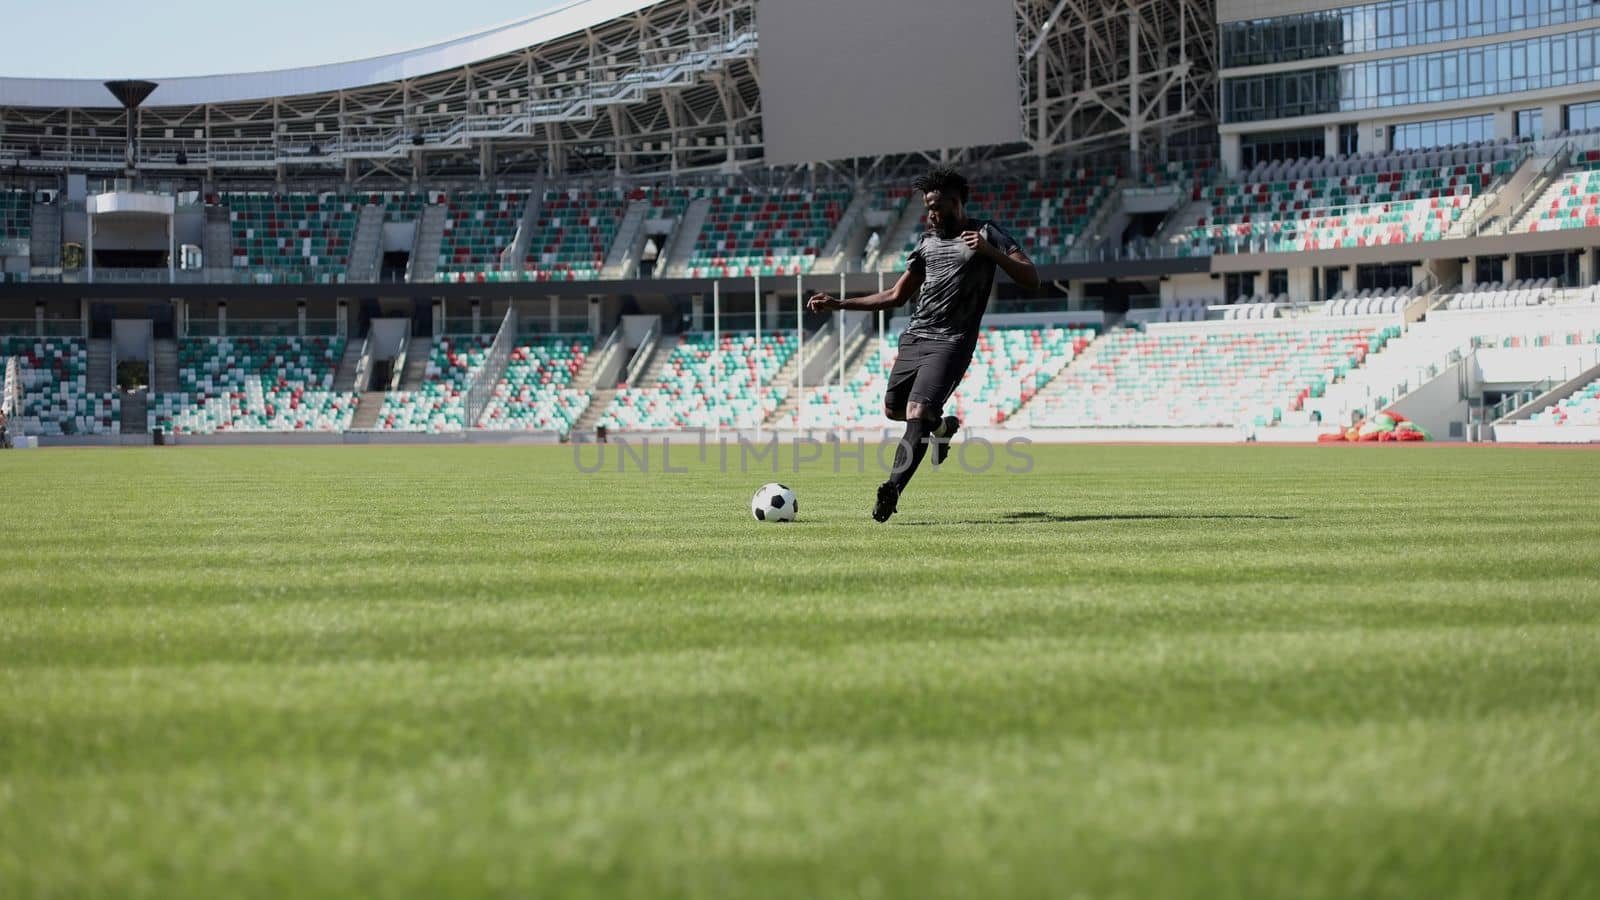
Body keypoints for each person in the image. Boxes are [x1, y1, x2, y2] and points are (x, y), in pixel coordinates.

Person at [807, 166, 1039, 522]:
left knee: (916, 414)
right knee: (893, 410)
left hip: (952, 341)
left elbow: (1032, 278)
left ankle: (892, 489)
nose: (931, 214)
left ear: (957, 202)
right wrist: (839, 304)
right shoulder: (927, 243)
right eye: (927, 207)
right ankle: (943, 429)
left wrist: (993, 253)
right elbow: (896, 296)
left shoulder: (986, 232)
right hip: (916, 337)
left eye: (937, 206)